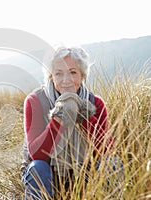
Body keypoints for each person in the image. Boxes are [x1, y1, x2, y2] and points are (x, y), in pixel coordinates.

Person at [21, 47, 124, 199]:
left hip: (85, 173)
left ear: (82, 75)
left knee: (112, 163)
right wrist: (59, 117)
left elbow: (107, 149)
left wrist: (82, 114)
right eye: (58, 73)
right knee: (37, 168)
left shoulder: (95, 103)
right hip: (48, 174)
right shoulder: (35, 101)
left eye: (73, 72)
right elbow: (36, 154)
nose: (66, 80)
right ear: (51, 77)